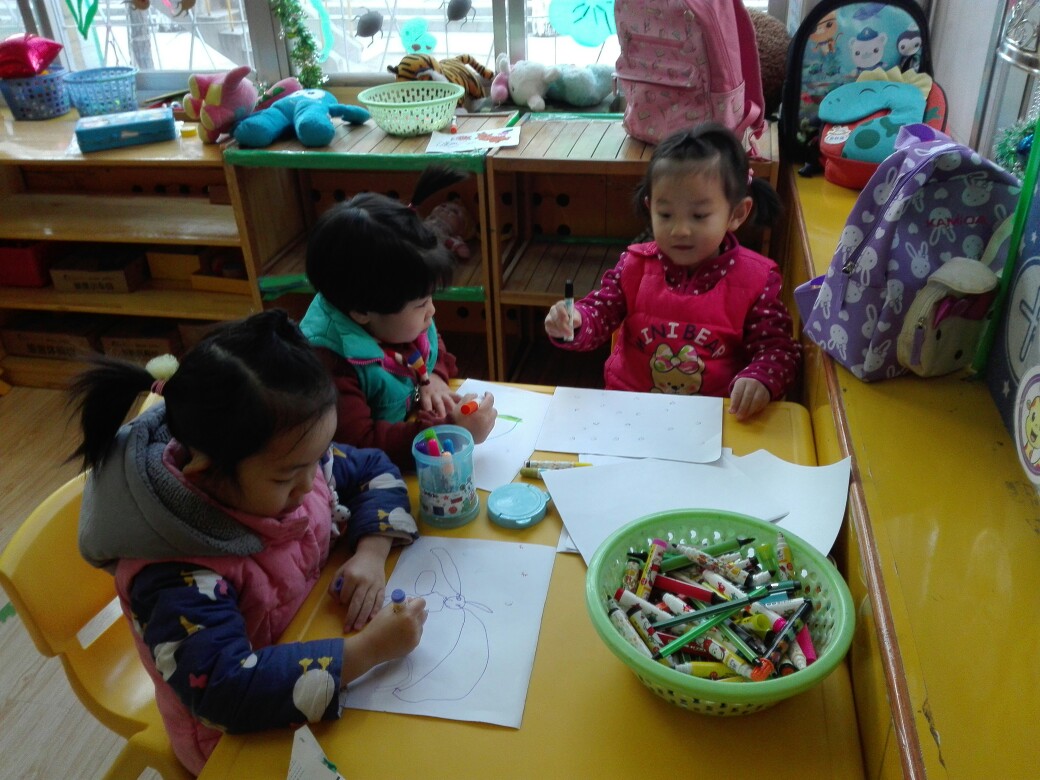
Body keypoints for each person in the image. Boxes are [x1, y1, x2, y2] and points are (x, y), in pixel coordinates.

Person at [70, 310, 427, 776]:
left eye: (318, 457)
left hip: (312, 645)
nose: (312, 483)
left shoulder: (284, 455)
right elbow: (224, 691)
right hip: (234, 738)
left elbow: (373, 466)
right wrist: (367, 652)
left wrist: (372, 552)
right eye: (287, 478)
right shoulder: (173, 575)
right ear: (205, 472)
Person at [544, 123, 801, 420]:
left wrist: (761, 378)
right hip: (629, 411)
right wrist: (575, 322)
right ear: (650, 208)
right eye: (665, 214)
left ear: (737, 213)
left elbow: (778, 350)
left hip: (713, 420)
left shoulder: (757, 280)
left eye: (699, 215)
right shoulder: (634, 265)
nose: (680, 230)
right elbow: (599, 315)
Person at [301, 165, 497, 470]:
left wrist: (433, 379)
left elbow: (432, 344)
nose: (432, 312)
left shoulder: (391, 318)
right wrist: (452, 433)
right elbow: (362, 445)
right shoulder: (330, 365)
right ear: (361, 311)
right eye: (421, 304)